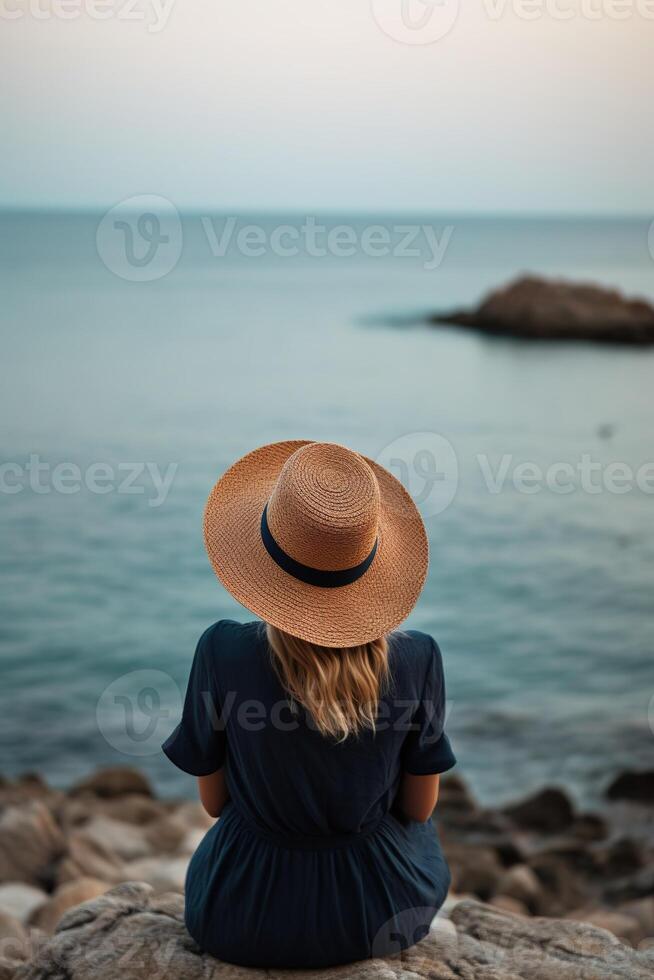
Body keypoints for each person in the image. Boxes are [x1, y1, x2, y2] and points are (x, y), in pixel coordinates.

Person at [162, 440, 456, 969]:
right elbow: (418, 809)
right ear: (371, 562)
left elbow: (213, 803)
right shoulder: (419, 658)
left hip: (240, 917)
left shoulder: (222, 649)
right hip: (378, 917)